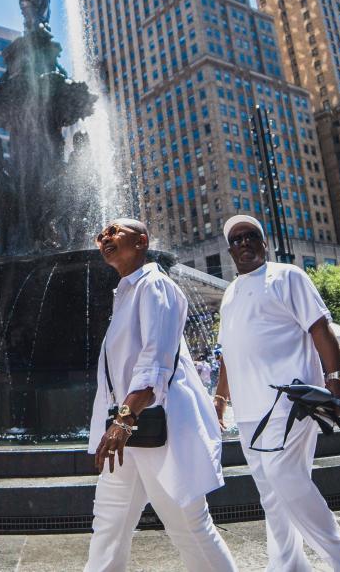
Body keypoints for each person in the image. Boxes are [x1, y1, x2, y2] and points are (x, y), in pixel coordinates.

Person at [213, 215, 340, 572]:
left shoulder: (287, 275)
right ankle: (288, 565)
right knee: (271, 492)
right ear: (230, 250)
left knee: (285, 477)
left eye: (251, 236)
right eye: (236, 240)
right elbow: (227, 353)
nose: (244, 243)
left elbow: (320, 328)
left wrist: (336, 382)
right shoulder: (230, 293)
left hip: (291, 401)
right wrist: (220, 400)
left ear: (264, 242)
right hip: (250, 411)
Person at [86, 218, 236, 572]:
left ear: (141, 241)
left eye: (114, 231)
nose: (105, 238)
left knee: (189, 528)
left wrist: (124, 420)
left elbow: (156, 361)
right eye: (101, 235)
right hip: (128, 431)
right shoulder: (126, 292)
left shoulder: (155, 285)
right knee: (108, 523)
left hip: (156, 427)